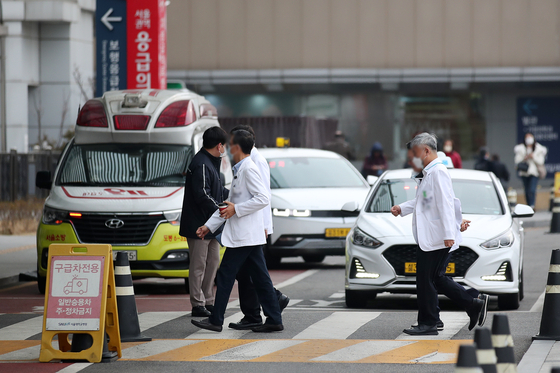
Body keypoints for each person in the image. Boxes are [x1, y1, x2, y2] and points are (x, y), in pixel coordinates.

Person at [390, 133, 488, 336]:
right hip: (433, 237)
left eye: (416, 153)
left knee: (426, 280)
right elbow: (425, 203)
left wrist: (448, 232)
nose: (414, 159)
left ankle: (430, 322)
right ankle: (468, 304)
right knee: (435, 278)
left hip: (436, 238)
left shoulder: (438, 173)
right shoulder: (430, 173)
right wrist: (403, 208)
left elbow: (445, 203)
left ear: (426, 150)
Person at [192, 130, 283, 333]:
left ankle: (216, 320)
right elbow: (228, 205)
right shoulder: (239, 169)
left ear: (237, 148)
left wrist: (237, 209)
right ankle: (274, 318)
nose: (227, 148)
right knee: (260, 278)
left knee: (225, 275)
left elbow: (263, 198)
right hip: (247, 235)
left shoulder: (248, 169)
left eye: (230, 144)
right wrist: (209, 226)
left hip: (245, 236)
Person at [227, 125, 290, 331]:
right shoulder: (245, 159)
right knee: (248, 273)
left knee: (253, 274)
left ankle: (265, 307)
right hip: (247, 225)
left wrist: (263, 226)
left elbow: (263, 197)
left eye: (233, 141)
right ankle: (256, 312)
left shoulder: (255, 161)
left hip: (254, 227)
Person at [179, 127, 229, 317]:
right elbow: (203, 195)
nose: (224, 149)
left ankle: (209, 300)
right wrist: (221, 210)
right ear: (219, 145)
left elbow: (217, 191)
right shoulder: (201, 163)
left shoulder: (210, 162)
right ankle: (197, 303)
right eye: (223, 145)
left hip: (212, 224)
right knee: (198, 265)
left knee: (212, 262)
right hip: (199, 225)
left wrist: (234, 198)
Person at [514, 132, 547, 209]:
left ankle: (532, 205)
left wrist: (533, 156)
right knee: (526, 190)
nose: (528, 139)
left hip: (534, 172)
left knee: (532, 189)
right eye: (527, 137)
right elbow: (517, 161)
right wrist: (525, 158)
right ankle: (529, 205)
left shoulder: (538, 148)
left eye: (530, 137)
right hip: (524, 172)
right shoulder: (521, 148)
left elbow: (541, 162)